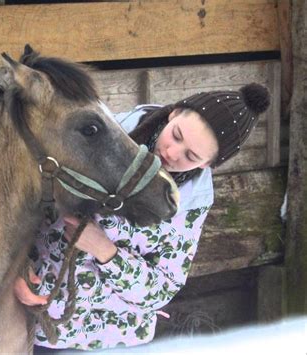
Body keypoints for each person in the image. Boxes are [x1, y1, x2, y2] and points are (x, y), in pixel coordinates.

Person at [14, 83, 271, 351]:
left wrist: (106, 252)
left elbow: (161, 288)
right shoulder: (93, 136)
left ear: (207, 164)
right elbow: (17, 198)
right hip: (23, 318)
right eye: (177, 135)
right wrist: (16, 269)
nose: (172, 153)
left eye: (191, 156)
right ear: (174, 112)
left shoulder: (190, 205)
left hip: (104, 341)